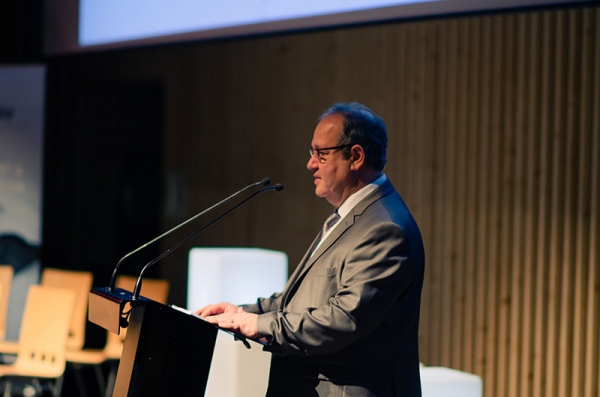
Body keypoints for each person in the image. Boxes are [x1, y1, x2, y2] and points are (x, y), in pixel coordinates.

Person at [197, 102, 425, 397]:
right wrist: (241, 313)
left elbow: (344, 319)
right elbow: (302, 301)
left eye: (321, 153)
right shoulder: (350, 215)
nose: (310, 163)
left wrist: (258, 325)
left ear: (355, 156)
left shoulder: (384, 227)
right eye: (311, 152)